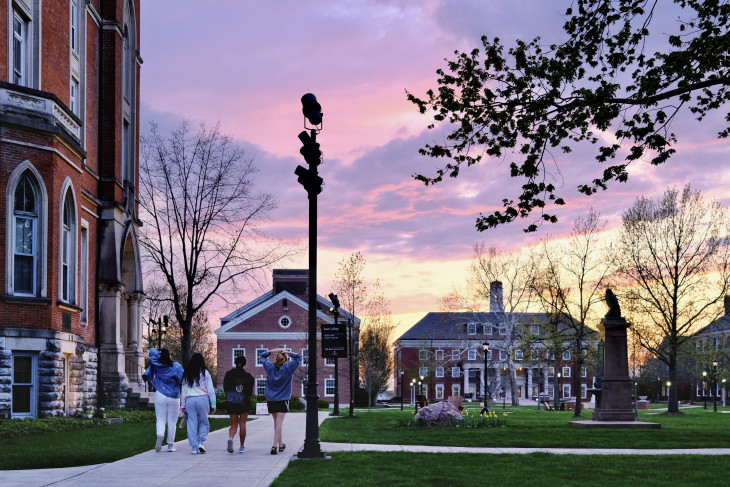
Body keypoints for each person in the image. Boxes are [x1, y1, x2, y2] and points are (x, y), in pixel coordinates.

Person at [261, 348, 302, 455]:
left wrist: (271, 351)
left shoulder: (269, 367)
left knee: (276, 423)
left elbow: (262, 356)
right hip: (282, 399)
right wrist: (288, 352)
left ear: (276, 358)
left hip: (271, 399)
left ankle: (280, 445)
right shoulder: (288, 367)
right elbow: (299, 358)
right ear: (285, 358)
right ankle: (274, 446)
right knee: (279, 423)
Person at [143, 348, 183, 452]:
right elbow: (182, 378)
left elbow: (151, 350)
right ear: (169, 355)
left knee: (160, 419)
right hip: (174, 396)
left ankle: (160, 434)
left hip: (160, 394)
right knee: (172, 422)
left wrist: (159, 354)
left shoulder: (156, 364)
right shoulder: (176, 366)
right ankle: (170, 445)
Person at [180, 353, 217, 455]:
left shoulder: (187, 372)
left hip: (190, 400)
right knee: (204, 421)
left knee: (191, 423)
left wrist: (183, 404)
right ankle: (201, 442)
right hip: (202, 398)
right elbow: (210, 389)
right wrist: (213, 404)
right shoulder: (205, 372)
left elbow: (183, 389)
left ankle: (194, 447)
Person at [223, 355, 255, 453]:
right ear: (245, 364)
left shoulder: (228, 375)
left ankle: (231, 438)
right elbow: (249, 392)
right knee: (242, 423)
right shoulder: (249, 377)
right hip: (244, 402)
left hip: (231, 401)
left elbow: (225, 388)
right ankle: (241, 446)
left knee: (233, 425)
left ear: (235, 362)